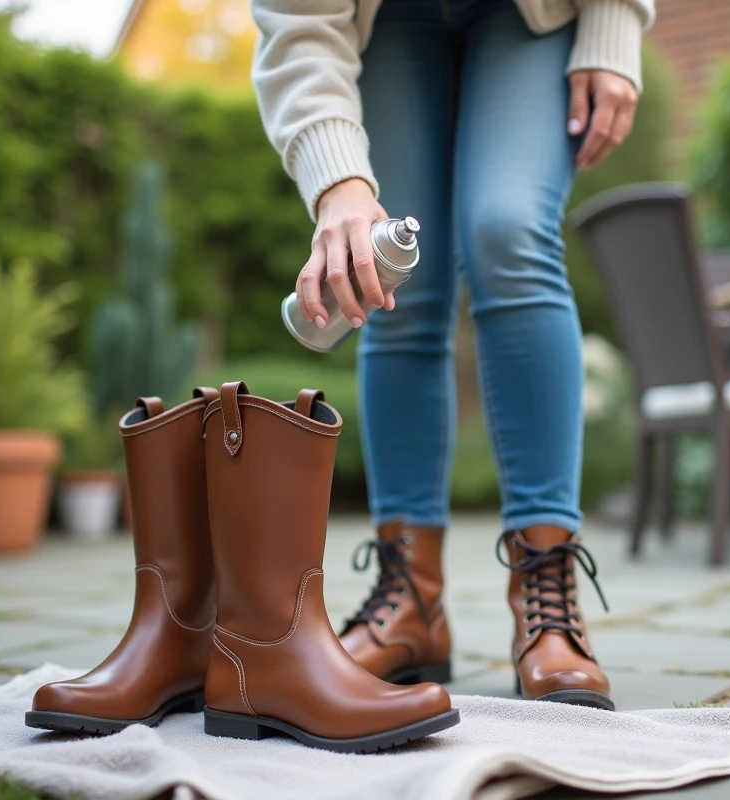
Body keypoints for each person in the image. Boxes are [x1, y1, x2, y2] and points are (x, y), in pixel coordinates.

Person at [252, 0, 655, 710]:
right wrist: (339, 184)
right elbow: (296, 24)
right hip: (388, 20)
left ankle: (546, 590)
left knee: (509, 231)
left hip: (533, 15)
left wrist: (614, 22)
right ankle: (411, 600)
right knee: (393, 276)